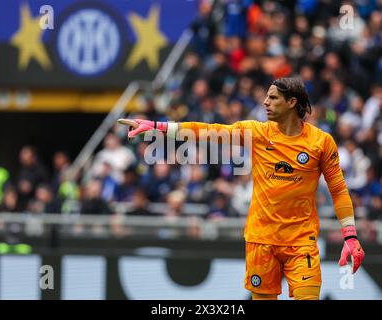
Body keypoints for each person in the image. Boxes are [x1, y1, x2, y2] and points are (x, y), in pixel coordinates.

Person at [117, 77, 365, 300]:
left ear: (291, 102)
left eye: (273, 97)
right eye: (266, 96)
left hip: (301, 242)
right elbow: (208, 131)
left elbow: (339, 189)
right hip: (260, 240)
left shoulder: (321, 142)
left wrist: (350, 235)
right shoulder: (257, 133)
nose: (265, 102)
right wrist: (158, 127)